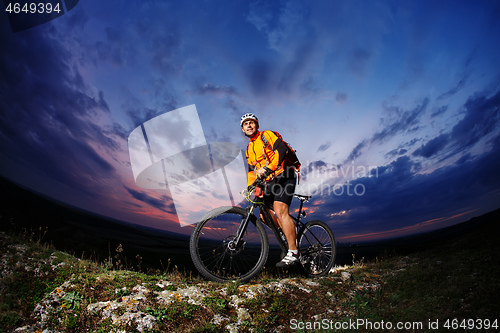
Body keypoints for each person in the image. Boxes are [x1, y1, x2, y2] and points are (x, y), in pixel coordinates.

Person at [240, 113, 299, 267]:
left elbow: (281, 149)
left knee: (280, 211)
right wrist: (249, 187)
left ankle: (293, 252)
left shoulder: (267, 135)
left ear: (257, 125)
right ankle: (285, 233)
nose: (249, 125)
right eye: (246, 124)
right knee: (264, 215)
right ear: (243, 129)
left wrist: (269, 167)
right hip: (270, 180)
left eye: (252, 123)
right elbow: (252, 170)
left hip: (285, 173)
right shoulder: (249, 148)